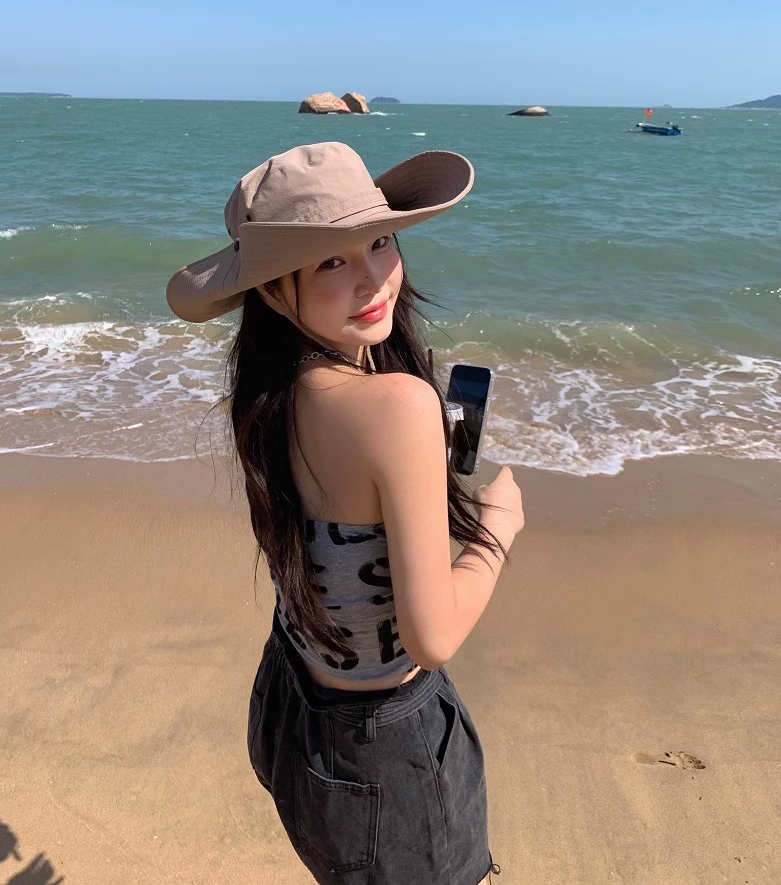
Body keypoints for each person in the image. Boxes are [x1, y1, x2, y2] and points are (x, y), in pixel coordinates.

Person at [166, 142, 525, 884]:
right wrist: (495, 529)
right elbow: (432, 638)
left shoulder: (269, 394)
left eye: (381, 241)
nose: (373, 278)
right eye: (330, 261)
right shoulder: (398, 406)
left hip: (292, 702)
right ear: (272, 291)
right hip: (384, 752)